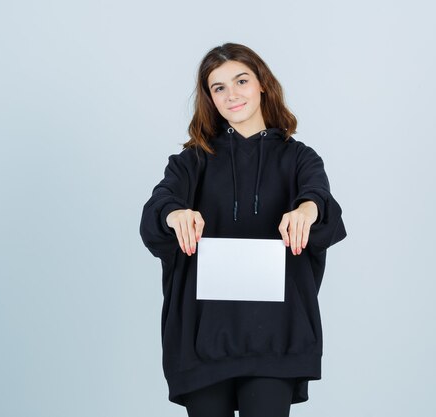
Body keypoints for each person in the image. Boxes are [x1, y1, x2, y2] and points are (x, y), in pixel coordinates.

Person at [139, 43, 347, 417]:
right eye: (218, 87)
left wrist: (307, 210)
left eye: (241, 80)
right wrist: (174, 214)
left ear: (262, 84)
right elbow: (158, 206)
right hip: (202, 338)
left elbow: (320, 200)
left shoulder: (300, 158)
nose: (231, 94)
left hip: (275, 338)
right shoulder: (192, 161)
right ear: (210, 99)